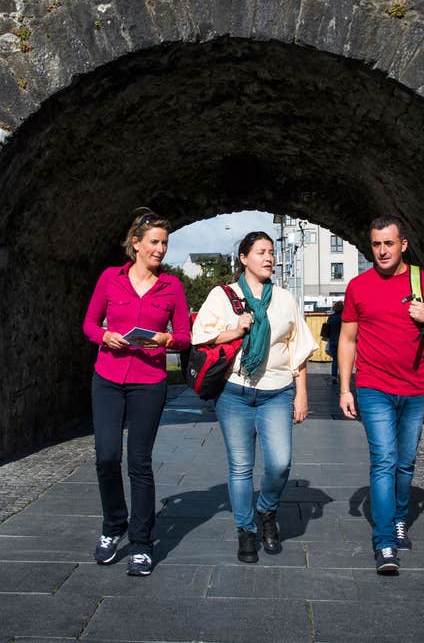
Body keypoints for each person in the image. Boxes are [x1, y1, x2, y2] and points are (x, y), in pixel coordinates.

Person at [81, 210, 191, 577]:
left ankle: (142, 544)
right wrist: (105, 336)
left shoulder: (171, 287)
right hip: (108, 377)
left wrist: (166, 339)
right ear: (136, 244)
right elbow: (89, 323)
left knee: (139, 462)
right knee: (106, 457)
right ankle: (113, 527)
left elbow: (186, 337)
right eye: (155, 242)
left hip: (149, 381)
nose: (160, 249)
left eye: (165, 243)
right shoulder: (110, 280)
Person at [192, 231, 313, 563]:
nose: (269, 257)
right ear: (244, 258)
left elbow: (298, 349)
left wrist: (301, 394)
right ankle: (245, 530)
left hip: (276, 392)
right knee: (241, 467)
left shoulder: (285, 299)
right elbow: (199, 335)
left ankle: (267, 510)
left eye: (271, 252)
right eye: (261, 252)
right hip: (234, 392)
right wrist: (237, 329)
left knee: (280, 462)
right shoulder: (223, 295)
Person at [336, 216, 424, 575]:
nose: (381, 251)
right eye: (375, 244)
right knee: (384, 460)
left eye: (388, 243)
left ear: (403, 245)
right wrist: (344, 388)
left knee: (405, 463)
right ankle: (384, 541)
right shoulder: (358, 286)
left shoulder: (423, 281)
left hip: (414, 389)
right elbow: (348, 339)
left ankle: (399, 516)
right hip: (373, 387)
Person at [322, 301, 344, 384]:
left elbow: (327, 329)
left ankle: (334, 376)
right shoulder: (343, 317)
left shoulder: (331, 317)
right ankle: (343, 376)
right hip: (341, 341)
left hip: (332, 341)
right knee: (343, 360)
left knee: (335, 360)